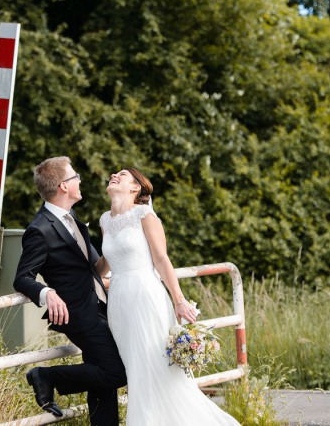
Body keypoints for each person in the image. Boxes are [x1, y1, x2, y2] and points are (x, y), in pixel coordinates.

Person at [97, 167, 239, 425]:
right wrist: (78, 275)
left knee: (154, 369)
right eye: (113, 174)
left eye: (123, 175)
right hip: (118, 302)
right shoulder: (105, 220)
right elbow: (107, 261)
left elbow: (161, 259)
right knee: (135, 371)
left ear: (135, 187)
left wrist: (179, 299)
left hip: (145, 298)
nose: (114, 176)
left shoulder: (145, 215)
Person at [13, 156, 127, 426]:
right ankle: (45, 376)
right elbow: (22, 278)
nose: (79, 180)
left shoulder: (71, 217)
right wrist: (46, 293)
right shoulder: (39, 229)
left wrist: (112, 249)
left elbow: (94, 268)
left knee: (101, 379)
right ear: (63, 186)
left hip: (100, 306)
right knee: (118, 371)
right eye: (75, 176)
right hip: (77, 313)